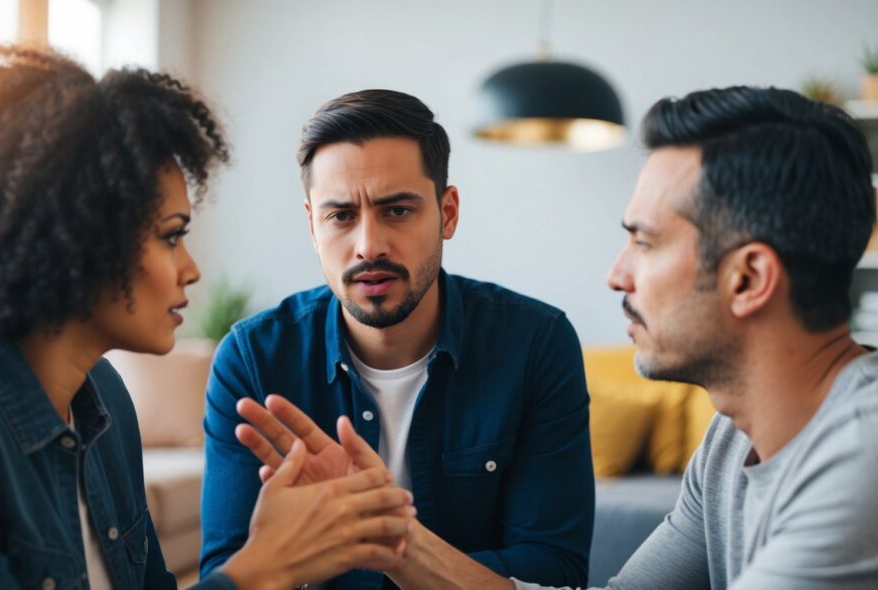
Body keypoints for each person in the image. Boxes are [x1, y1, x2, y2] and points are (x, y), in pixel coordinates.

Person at [276, 85, 878, 590]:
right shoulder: (732, 439)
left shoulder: (863, 460)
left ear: (748, 278)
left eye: (644, 242)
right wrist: (395, 540)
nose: (616, 274)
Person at [0, 46, 414, 590]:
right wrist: (262, 569)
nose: (191, 269)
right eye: (171, 236)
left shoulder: (102, 398)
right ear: (76, 238)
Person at [201, 89, 595, 589]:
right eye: (341, 215)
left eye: (397, 211)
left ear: (447, 213)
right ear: (312, 226)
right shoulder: (253, 360)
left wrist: (386, 541)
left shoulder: (537, 345)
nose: (368, 246)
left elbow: (554, 571)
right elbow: (227, 573)